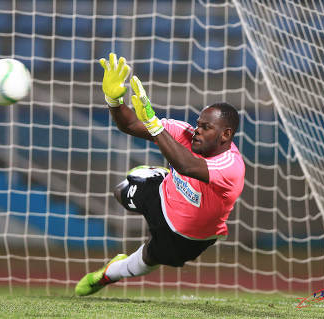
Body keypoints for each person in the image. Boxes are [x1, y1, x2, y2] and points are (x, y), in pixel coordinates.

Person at [75, 53, 245, 296]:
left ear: (225, 135)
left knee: (146, 261)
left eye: (206, 128)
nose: (197, 130)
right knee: (121, 191)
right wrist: (114, 100)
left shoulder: (231, 166)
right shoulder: (184, 133)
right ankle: (159, 177)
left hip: (186, 235)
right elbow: (130, 125)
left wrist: (155, 125)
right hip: (163, 197)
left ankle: (106, 274)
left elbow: (188, 166)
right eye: (198, 124)